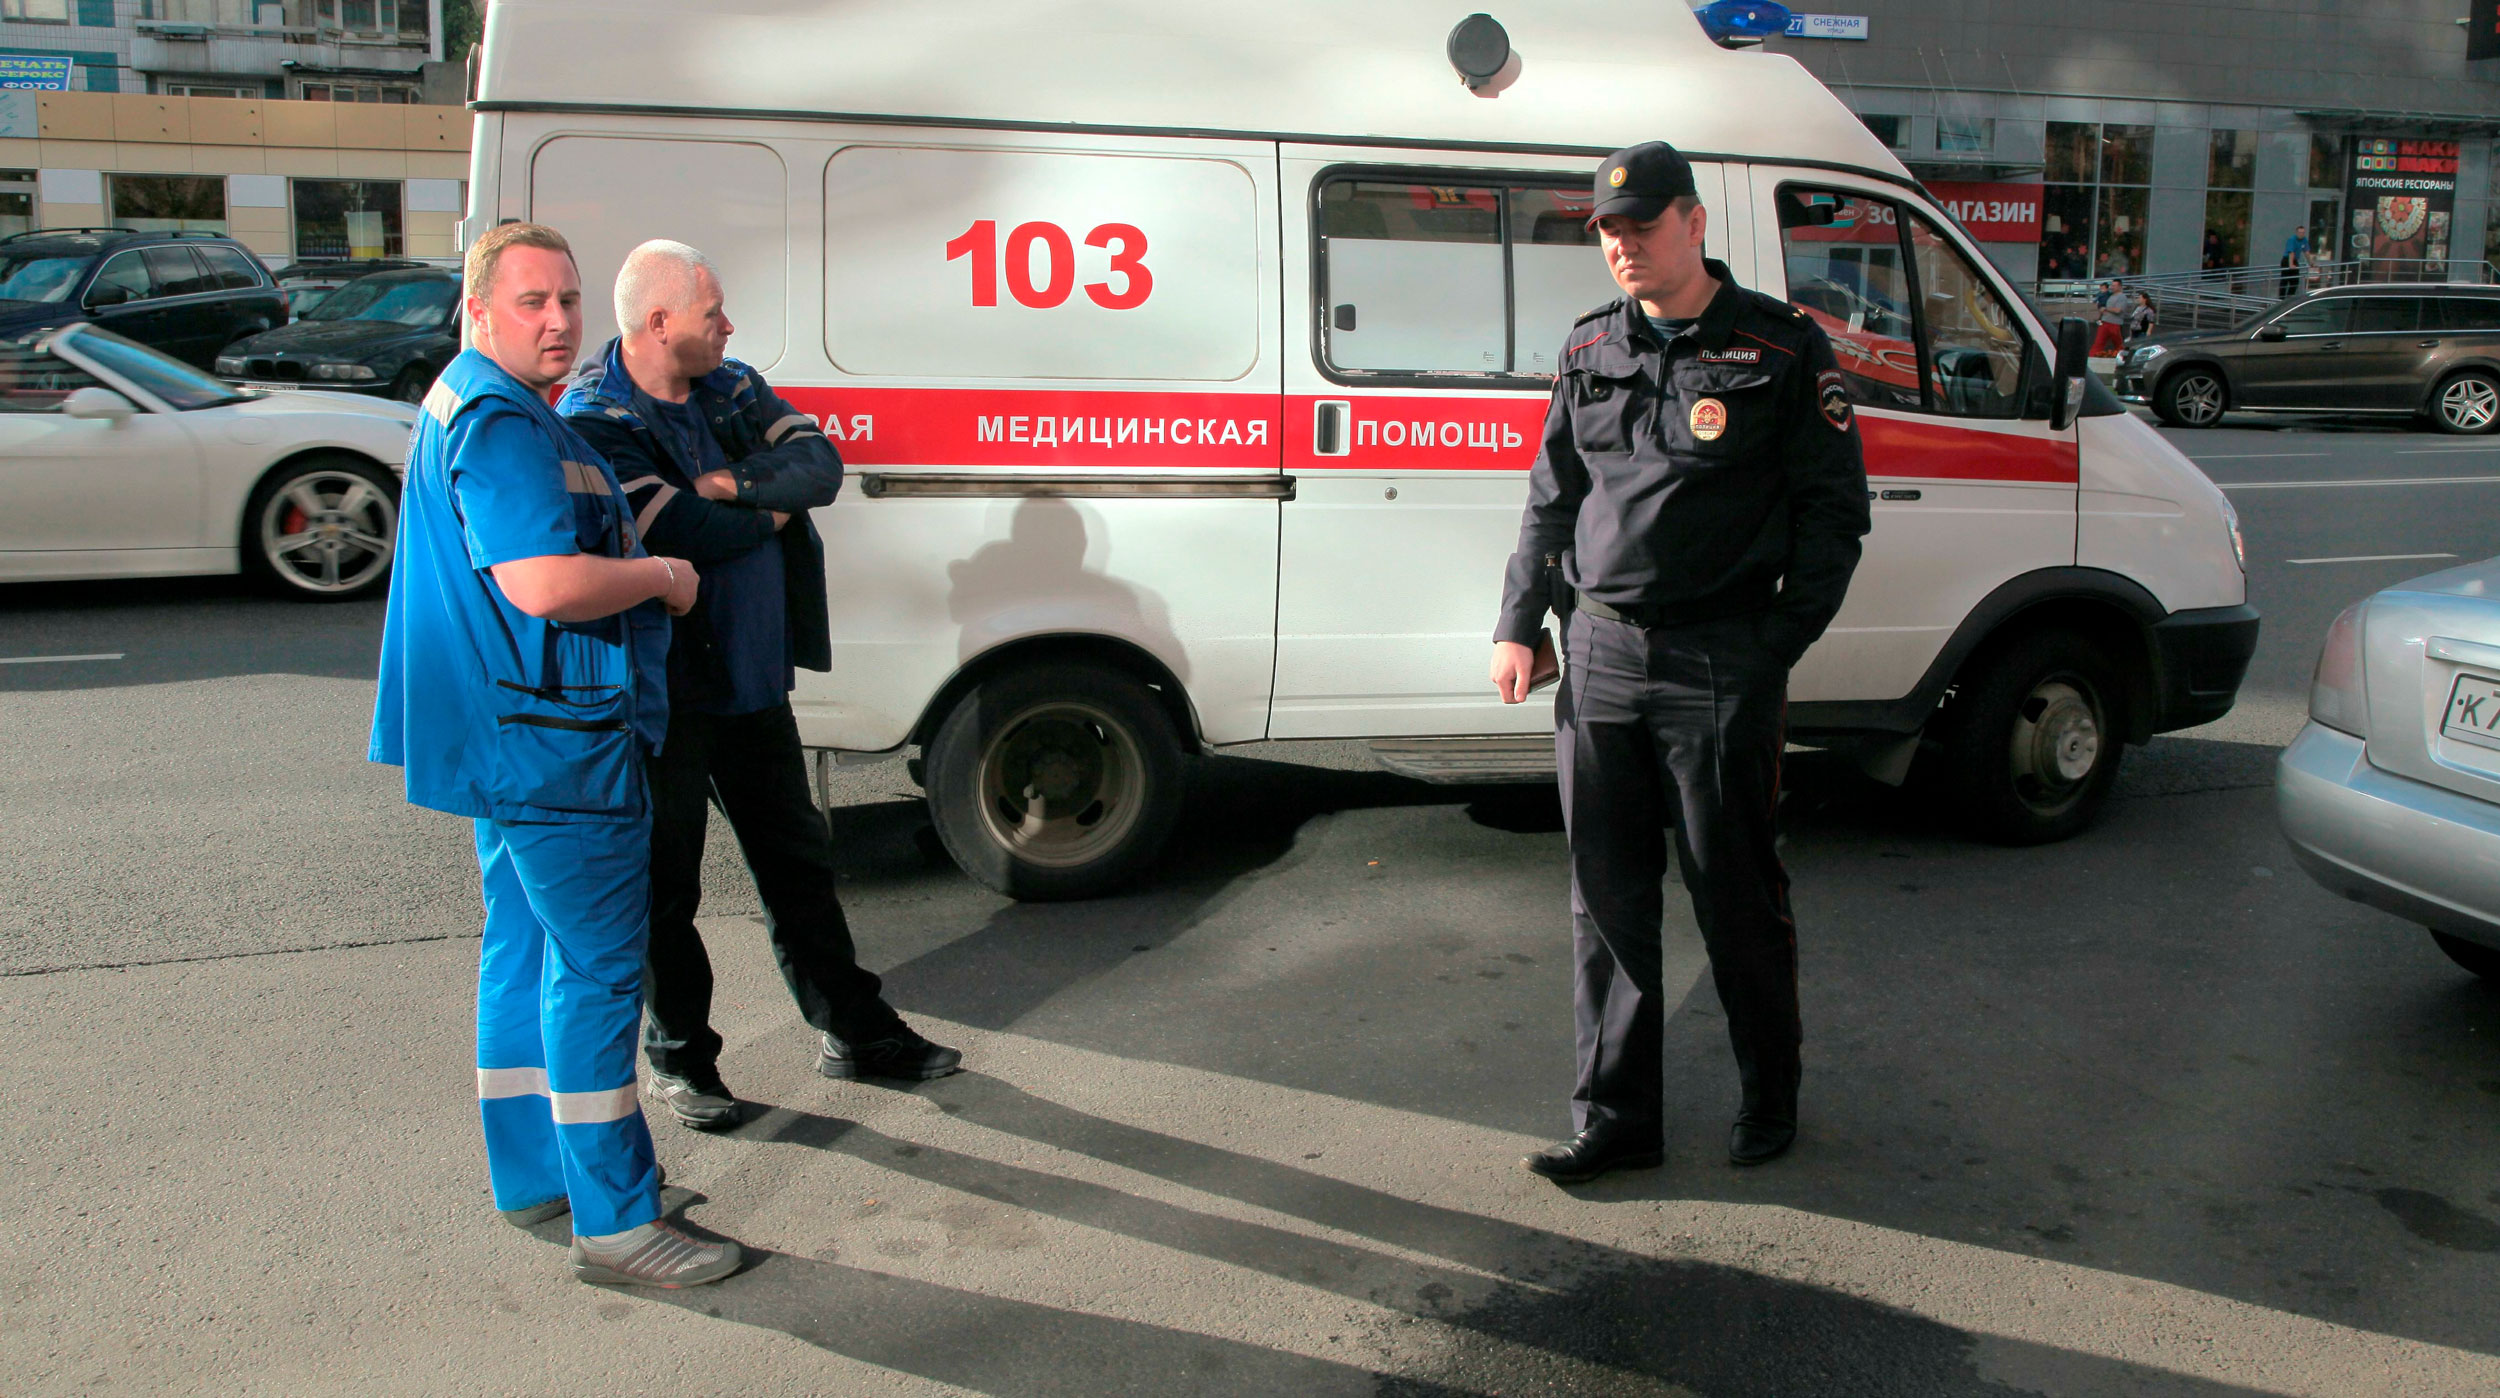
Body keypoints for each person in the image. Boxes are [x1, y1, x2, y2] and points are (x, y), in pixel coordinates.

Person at [369, 221, 743, 1288]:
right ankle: (619, 1223)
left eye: (569, 299)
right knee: (594, 974)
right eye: (533, 301)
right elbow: (543, 585)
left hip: (512, 738)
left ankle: (539, 1176)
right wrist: (663, 575)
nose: (559, 319)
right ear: (476, 311)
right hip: (556, 745)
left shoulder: (471, 402)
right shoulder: (503, 425)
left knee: (523, 954)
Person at [1489, 142, 1869, 1184]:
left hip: (1720, 659)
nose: (1622, 247)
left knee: (1733, 893)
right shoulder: (1586, 350)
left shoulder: (1782, 350)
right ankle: (1617, 1120)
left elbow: (1835, 520)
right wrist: (1518, 621)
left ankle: (1768, 1092)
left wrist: (1771, 649)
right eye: (1608, 231)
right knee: (1605, 903)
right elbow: (1550, 498)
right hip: (1601, 652)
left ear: (1693, 225)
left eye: (1641, 227)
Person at [560, 239, 960, 1131]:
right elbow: (683, 529)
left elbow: (819, 462)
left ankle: (854, 1033)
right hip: (662, 694)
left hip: (749, 681)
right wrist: (766, 508)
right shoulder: (595, 416)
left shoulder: (731, 385)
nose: (728, 325)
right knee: (668, 887)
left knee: (799, 868)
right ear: (659, 324)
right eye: (713, 312)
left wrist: (739, 482)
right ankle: (681, 1061)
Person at [2091, 279, 2131, 357]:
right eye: (2112, 285)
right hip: (2105, 321)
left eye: (2114, 286)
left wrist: (2106, 309)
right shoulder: (2110, 296)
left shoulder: (2122, 297)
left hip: (2115, 323)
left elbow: (2118, 310)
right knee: (2099, 342)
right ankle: (2092, 356)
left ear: (2119, 286)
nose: (2112, 287)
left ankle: (2122, 357)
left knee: (2118, 343)